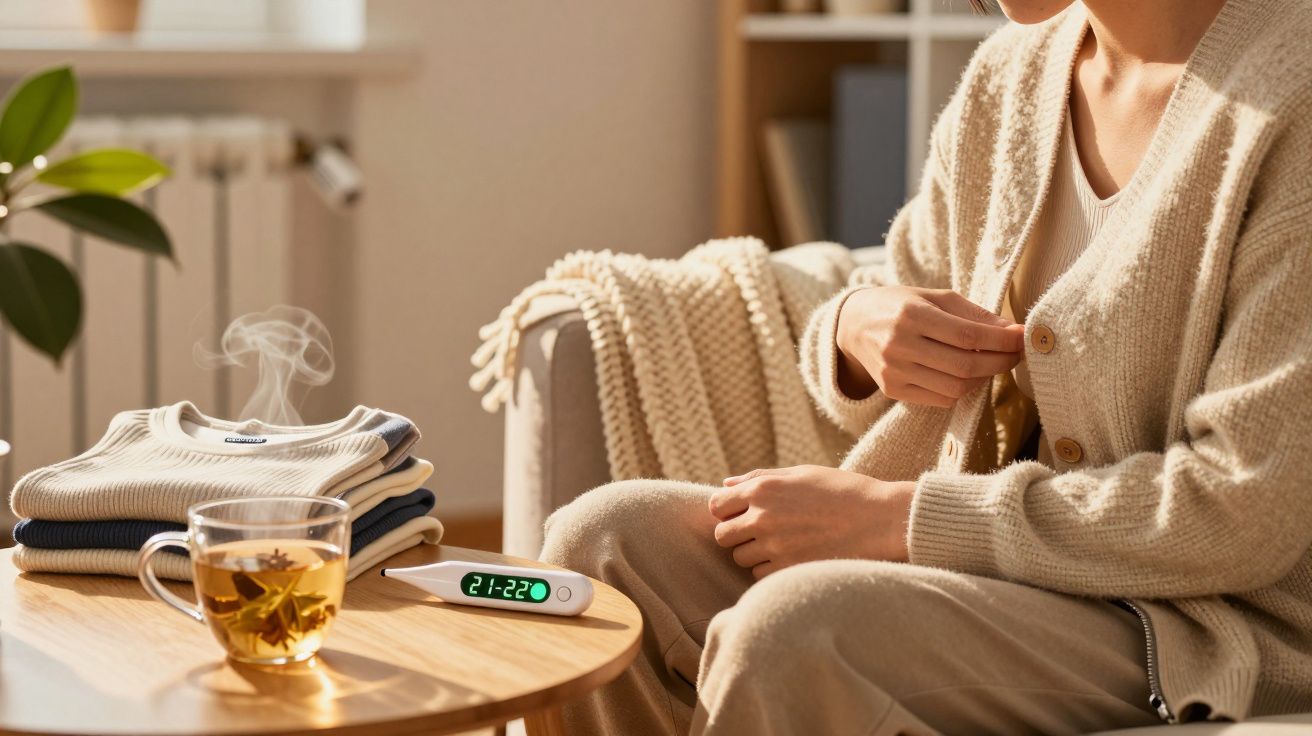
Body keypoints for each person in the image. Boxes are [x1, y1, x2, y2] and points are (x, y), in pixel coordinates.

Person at [542, 0, 1312, 732]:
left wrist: (900, 520)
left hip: (1195, 619)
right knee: (601, 549)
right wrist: (853, 330)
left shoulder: (1291, 98)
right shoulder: (1010, 77)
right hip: (994, 575)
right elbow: (903, 297)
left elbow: (1246, 510)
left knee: (796, 634)